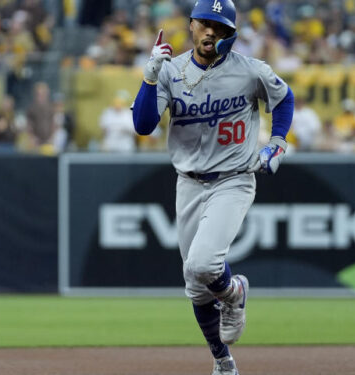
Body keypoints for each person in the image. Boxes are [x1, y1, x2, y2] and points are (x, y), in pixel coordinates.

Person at [131, 1, 294, 374]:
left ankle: (234, 291)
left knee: (204, 263)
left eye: (219, 28)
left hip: (233, 179)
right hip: (188, 183)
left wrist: (277, 143)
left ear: (230, 35)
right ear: (191, 25)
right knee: (195, 284)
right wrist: (151, 75)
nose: (210, 33)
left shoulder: (250, 71)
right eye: (205, 24)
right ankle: (223, 361)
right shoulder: (172, 72)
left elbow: (284, 99)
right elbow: (143, 125)